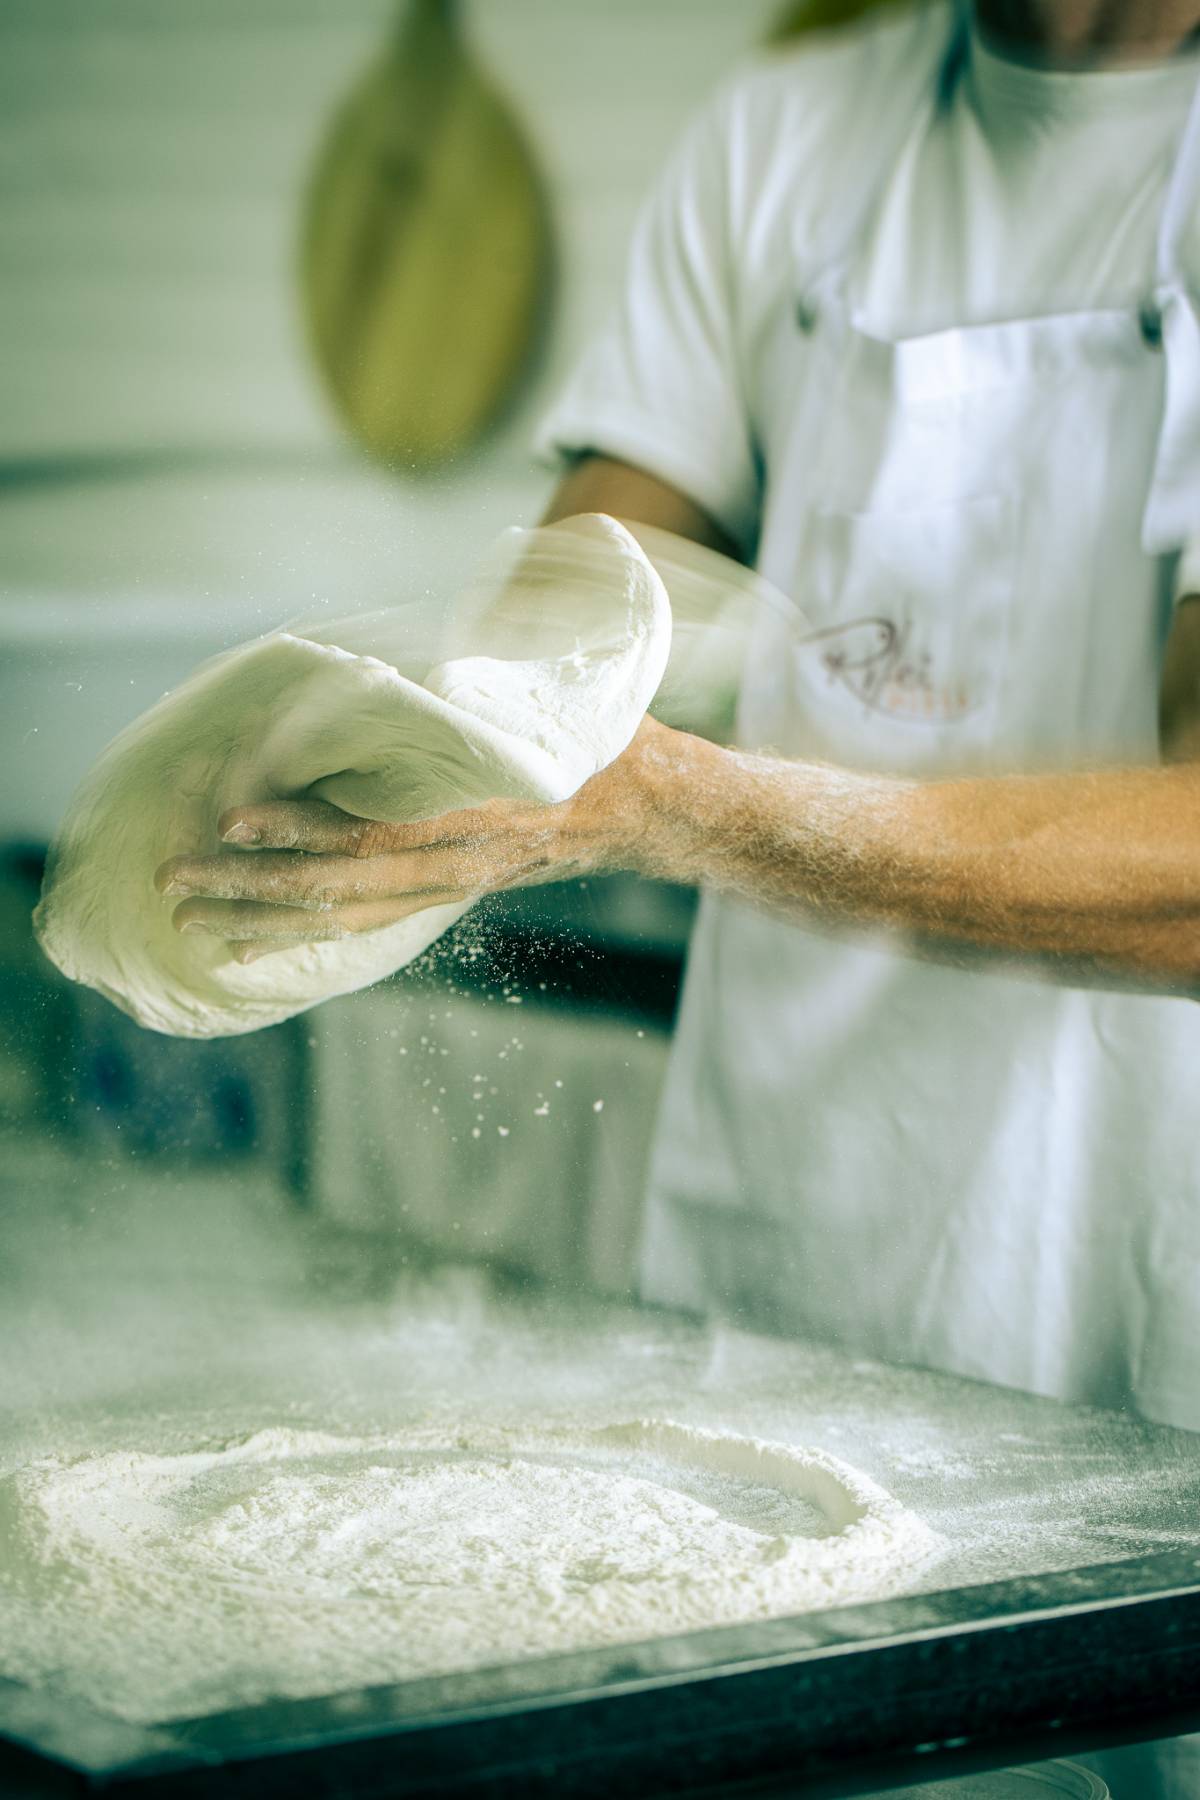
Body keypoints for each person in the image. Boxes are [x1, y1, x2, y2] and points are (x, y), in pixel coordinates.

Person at [157, 0, 1200, 1789]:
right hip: (791, 1251)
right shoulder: (795, 130)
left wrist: (695, 807)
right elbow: (578, 614)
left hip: (1130, 1293)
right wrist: (387, 741)